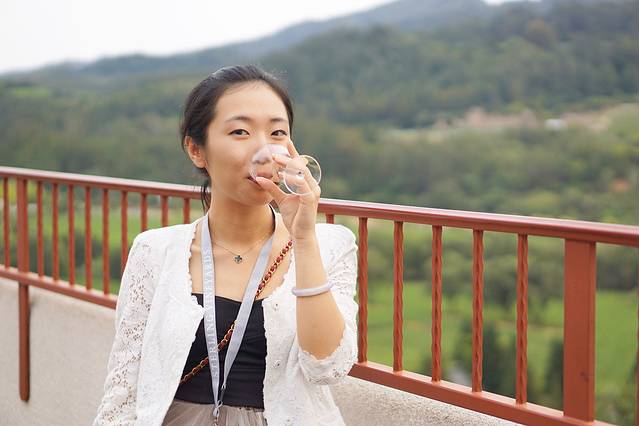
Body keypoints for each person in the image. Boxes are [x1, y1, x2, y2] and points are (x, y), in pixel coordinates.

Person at [92, 64, 359, 426]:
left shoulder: (329, 245)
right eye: (240, 132)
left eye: (277, 133)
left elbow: (328, 366)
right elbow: (123, 390)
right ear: (196, 150)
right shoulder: (155, 252)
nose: (264, 149)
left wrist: (304, 238)